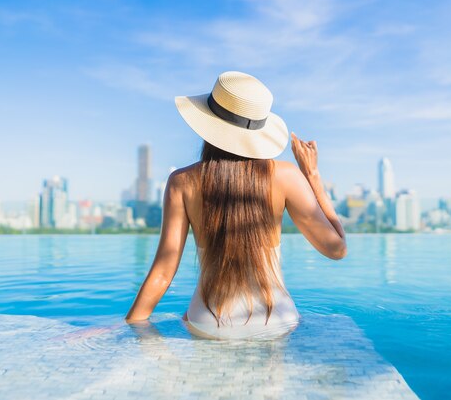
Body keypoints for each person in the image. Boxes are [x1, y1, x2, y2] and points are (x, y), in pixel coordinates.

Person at [125, 71, 347, 339]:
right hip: (276, 320)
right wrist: (312, 176)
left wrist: (130, 325)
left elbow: (162, 272)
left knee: (187, 318)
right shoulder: (287, 175)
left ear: (208, 123)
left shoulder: (182, 182)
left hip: (209, 321)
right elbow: (337, 249)